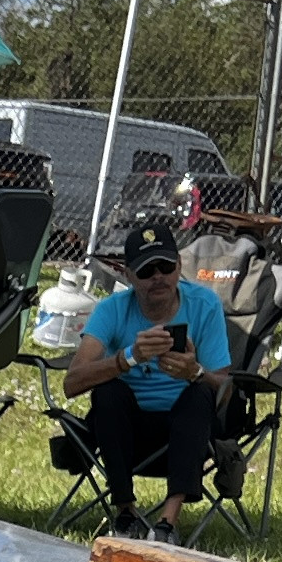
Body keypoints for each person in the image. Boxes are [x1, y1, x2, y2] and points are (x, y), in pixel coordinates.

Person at [63, 216, 227, 532]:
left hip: (189, 431)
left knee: (200, 394)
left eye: (166, 267)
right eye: (146, 271)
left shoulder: (204, 304)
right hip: (127, 431)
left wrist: (195, 372)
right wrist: (128, 358)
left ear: (180, 266)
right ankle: (126, 512)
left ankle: (168, 521)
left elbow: (225, 388)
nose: (158, 277)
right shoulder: (112, 309)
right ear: (128, 275)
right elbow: (72, 382)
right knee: (108, 393)